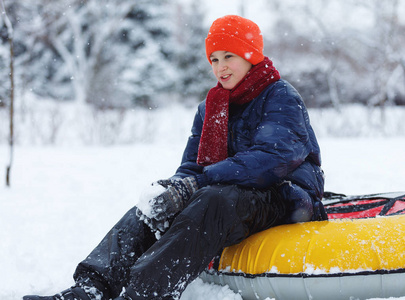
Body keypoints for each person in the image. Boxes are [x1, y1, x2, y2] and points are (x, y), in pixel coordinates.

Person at [23, 15, 327, 300]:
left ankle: (145, 293)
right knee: (151, 208)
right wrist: (174, 189)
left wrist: (198, 184)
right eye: (214, 59)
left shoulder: (279, 96)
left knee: (213, 201)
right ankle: (91, 288)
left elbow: (273, 160)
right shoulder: (210, 108)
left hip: (285, 196)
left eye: (229, 56)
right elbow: (193, 167)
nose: (221, 67)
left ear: (249, 56)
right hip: (229, 193)